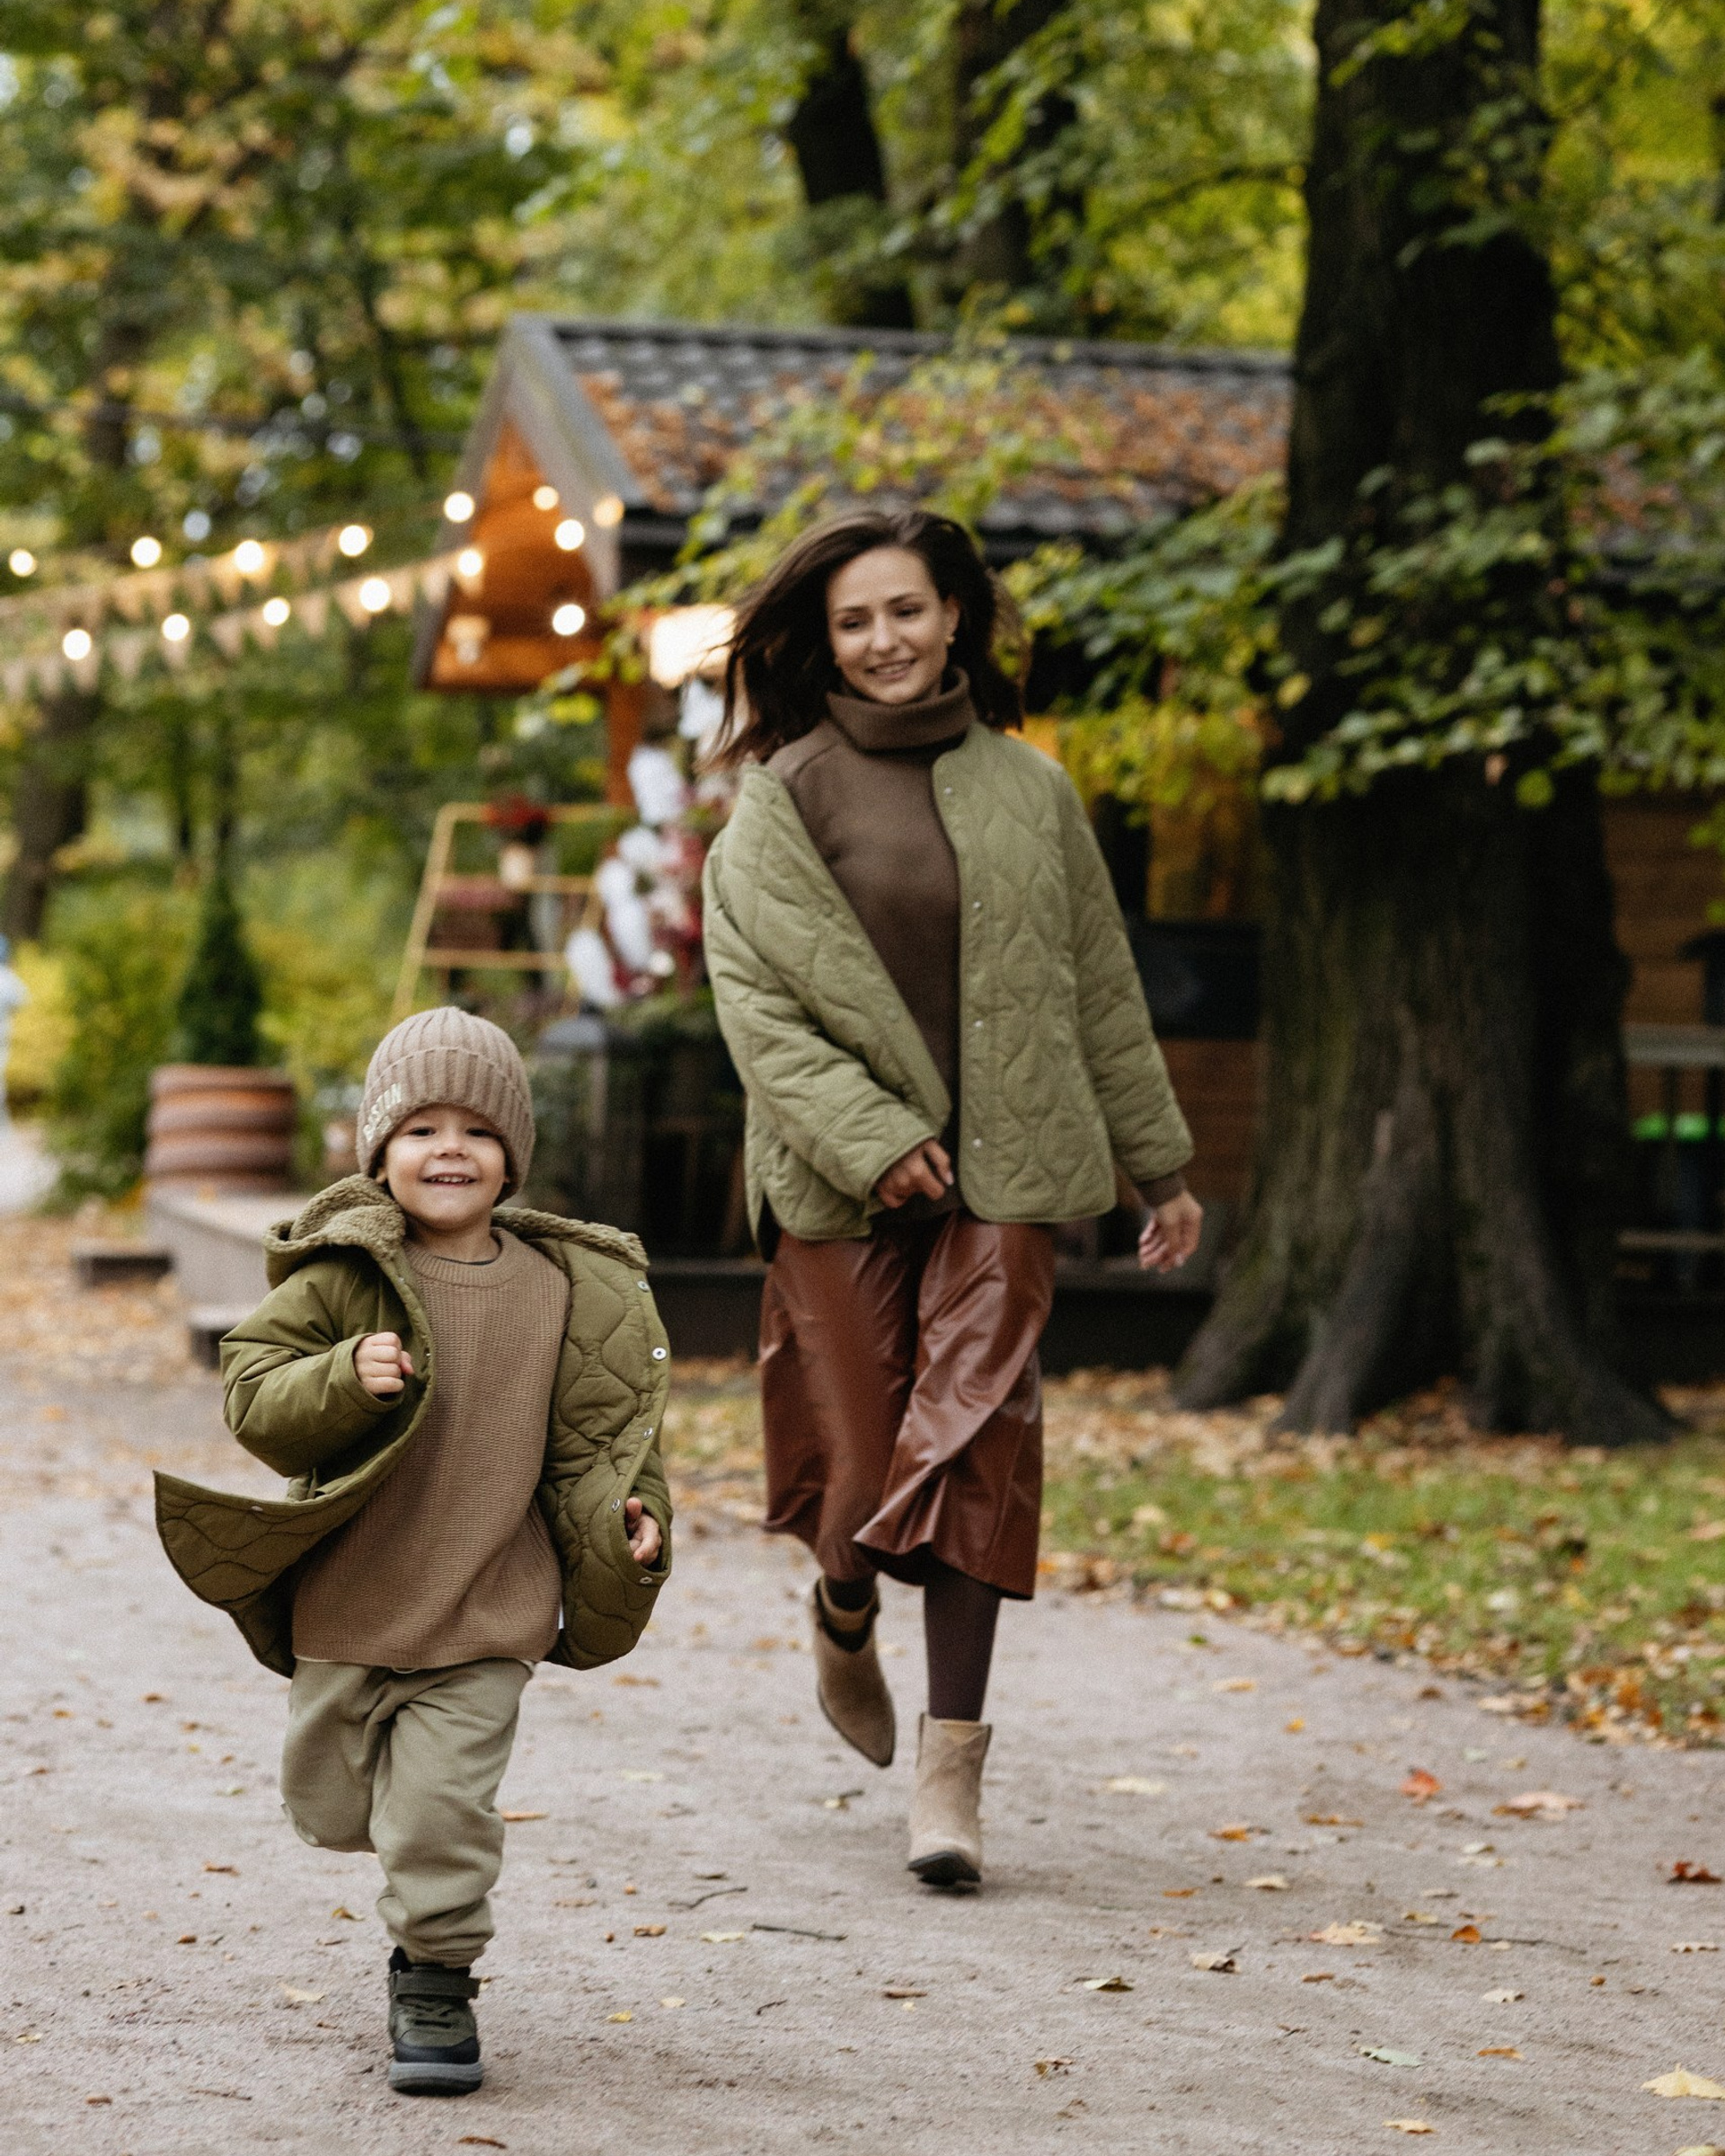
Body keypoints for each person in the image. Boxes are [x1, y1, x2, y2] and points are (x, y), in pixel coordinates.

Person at [702, 508, 1201, 1891]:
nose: (885, 641)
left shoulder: (1031, 791)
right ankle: (844, 1599)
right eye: (857, 621)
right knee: (864, 1470)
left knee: (981, 1449)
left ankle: (951, 1778)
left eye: (908, 612)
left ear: (955, 616)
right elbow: (757, 1009)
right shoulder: (781, 800)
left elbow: (1102, 985)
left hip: (1014, 1169)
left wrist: (1157, 1165)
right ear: (826, 638)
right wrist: (870, 1138)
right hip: (838, 1182)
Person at [154, 1008, 673, 2095]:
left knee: (441, 1817)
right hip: (350, 1603)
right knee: (334, 1809)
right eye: (421, 1128)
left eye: (478, 1131)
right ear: (379, 1153)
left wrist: (637, 1522)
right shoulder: (347, 1274)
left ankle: (435, 1978)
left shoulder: (561, 1288)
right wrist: (343, 1376)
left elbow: (607, 1438)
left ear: (512, 1156)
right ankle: (410, 1875)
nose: (450, 1149)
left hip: (490, 1607)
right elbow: (254, 1394)